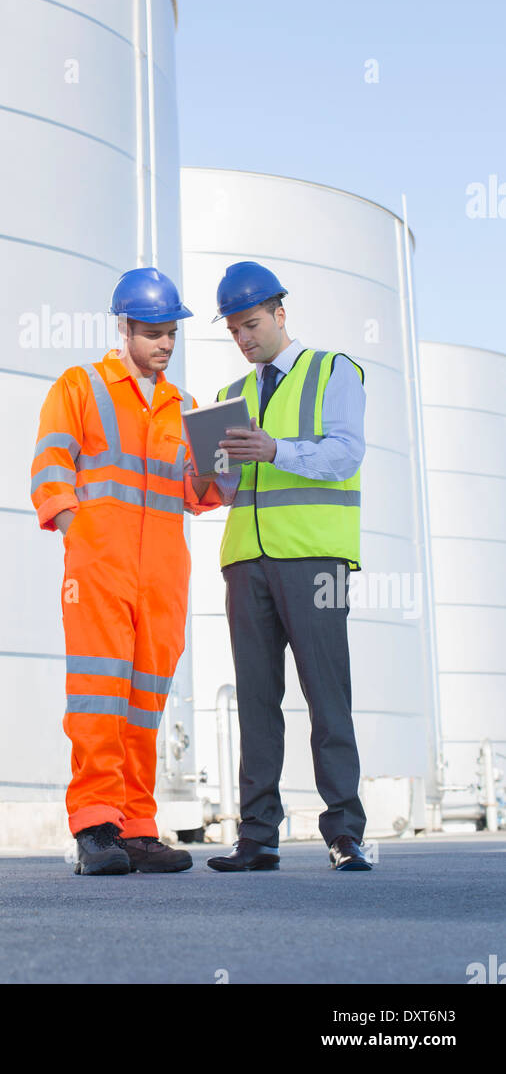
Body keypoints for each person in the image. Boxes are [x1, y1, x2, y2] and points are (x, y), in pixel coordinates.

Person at [30, 267, 224, 875]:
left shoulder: (186, 406)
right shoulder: (81, 385)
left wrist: (221, 462)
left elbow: (200, 496)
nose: (165, 343)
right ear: (124, 328)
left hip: (164, 572)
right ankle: (95, 827)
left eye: (172, 333)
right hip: (100, 567)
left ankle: (137, 828)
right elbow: (50, 465)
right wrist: (78, 536)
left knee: (145, 703)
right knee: (98, 697)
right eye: (154, 332)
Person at [205, 261, 373, 874]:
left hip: (315, 558)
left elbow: (345, 452)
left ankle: (346, 832)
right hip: (245, 562)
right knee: (256, 700)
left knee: (327, 694)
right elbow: (222, 492)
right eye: (233, 330)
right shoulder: (229, 397)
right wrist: (206, 471)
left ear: (280, 313)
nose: (244, 338)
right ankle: (258, 836)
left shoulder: (334, 370)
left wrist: (275, 450)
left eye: (251, 323)